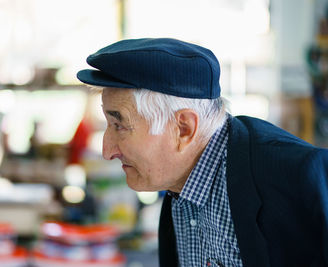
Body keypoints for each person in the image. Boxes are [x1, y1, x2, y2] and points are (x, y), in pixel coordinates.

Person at [76, 38, 328, 267]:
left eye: (120, 125)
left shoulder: (301, 177)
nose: (107, 151)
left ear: (184, 128)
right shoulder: (177, 183)